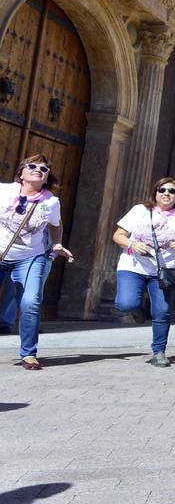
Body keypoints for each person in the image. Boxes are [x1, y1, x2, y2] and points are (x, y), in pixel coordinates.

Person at [112, 177, 175, 367]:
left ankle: (159, 351)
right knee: (125, 304)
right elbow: (118, 235)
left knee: (162, 311)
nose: (166, 193)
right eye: (162, 190)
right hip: (132, 266)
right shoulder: (140, 211)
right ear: (155, 193)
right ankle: (139, 310)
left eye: (172, 191)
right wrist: (133, 244)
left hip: (163, 272)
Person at [0, 156, 75, 370]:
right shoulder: (3, 191)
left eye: (44, 168)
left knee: (30, 302)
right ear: (21, 172)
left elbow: (56, 225)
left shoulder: (51, 202)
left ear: (47, 177)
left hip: (30, 257)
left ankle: (29, 354)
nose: (38, 170)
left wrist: (58, 244)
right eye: (32, 166)